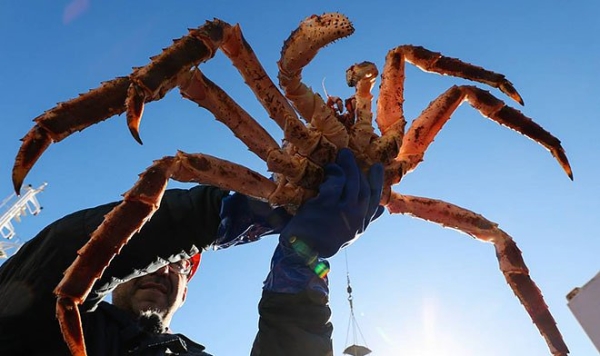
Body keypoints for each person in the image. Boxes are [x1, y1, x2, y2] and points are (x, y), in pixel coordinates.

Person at [0, 148, 384, 356]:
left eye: (180, 267)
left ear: (186, 292)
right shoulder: (65, 332)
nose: (164, 272)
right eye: (154, 262)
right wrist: (217, 215)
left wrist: (299, 275)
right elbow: (51, 266)